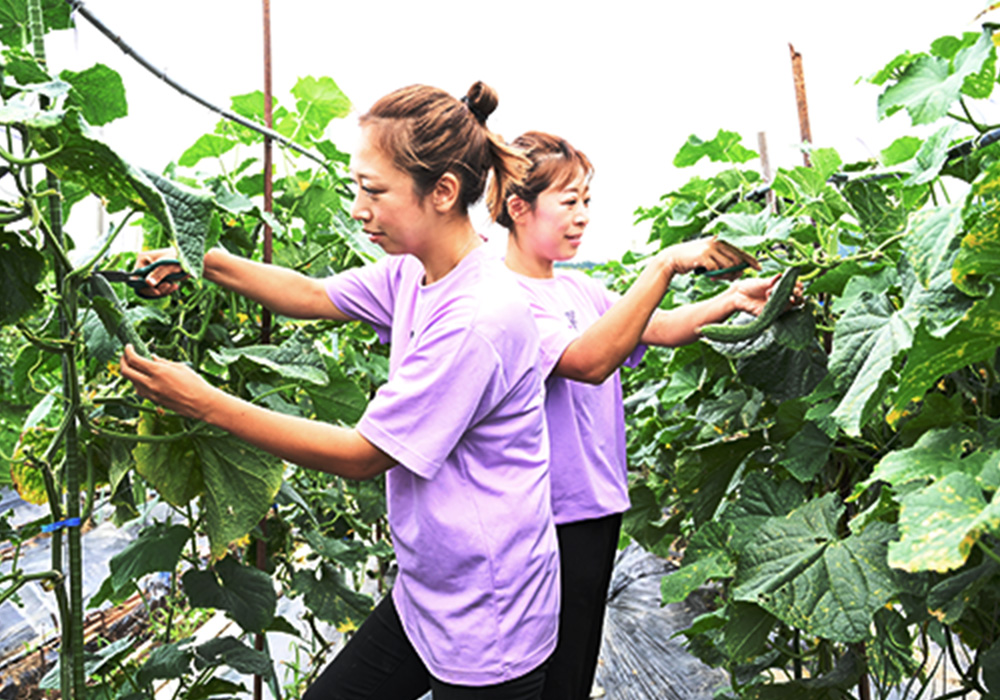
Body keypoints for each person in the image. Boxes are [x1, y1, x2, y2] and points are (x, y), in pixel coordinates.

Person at [120, 84, 561, 700]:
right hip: (427, 591)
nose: (358, 208)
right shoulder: (418, 269)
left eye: (374, 191)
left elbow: (362, 454)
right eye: (357, 187)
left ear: (443, 192)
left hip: (488, 614)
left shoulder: (480, 316)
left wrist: (204, 402)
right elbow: (314, 295)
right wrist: (199, 259)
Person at [497, 131, 797, 700]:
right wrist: (664, 263)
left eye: (587, 200)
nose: (583, 215)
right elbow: (587, 362)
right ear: (518, 207)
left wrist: (734, 300)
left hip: (596, 504)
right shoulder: (505, 296)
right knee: (544, 670)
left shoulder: (579, 288)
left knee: (575, 665)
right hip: (545, 514)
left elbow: (658, 329)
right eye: (568, 201)